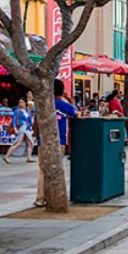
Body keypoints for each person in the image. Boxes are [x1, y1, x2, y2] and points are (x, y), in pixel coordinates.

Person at [36, 79, 76, 207]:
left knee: (42, 169)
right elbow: (75, 114)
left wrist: (37, 136)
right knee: (57, 168)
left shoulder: (43, 105)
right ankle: (55, 197)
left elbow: (35, 123)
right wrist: (69, 99)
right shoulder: (66, 106)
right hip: (60, 141)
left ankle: (40, 198)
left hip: (43, 141)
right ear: (62, 91)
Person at [4, 98, 35, 163]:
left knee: (29, 143)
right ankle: (6, 156)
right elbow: (14, 120)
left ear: (25, 103)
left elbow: (30, 121)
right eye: (20, 102)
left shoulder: (28, 111)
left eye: (22, 102)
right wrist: (15, 128)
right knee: (18, 143)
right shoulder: (17, 111)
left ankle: (29, 157)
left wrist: (31, 125)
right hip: (21, 128)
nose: (21, 104)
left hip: (26, 128)